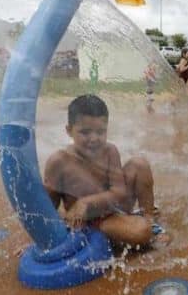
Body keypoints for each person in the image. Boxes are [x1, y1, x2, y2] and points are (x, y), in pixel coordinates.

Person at [43, 94, 170, 247]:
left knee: (139, 164)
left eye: (100, 132)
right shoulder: (59, 162)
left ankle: (150, 219)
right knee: (141, 231)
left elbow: (119, 192)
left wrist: (86, 201)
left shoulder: (109, 151)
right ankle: (137, 229)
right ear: (69, 130)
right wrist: (41, 241)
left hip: (114, 208)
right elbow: (47, 207)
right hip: (91, 221)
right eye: (85, 132)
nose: (94, 138)